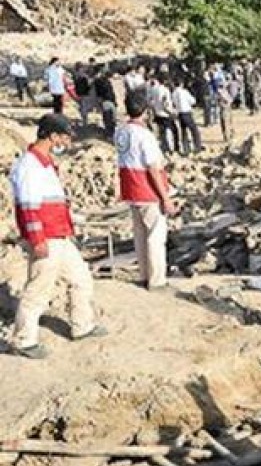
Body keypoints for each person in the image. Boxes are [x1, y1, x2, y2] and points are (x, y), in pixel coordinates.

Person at [8, 113, 106, 358]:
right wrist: (37, 240)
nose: (67, 142)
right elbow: (29, 207)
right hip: (46, 237)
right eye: (64, 137)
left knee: (81, 279)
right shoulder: (30, 166)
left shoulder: (45, 163)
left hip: (59, 234)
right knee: (38, 289)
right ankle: (23, 340)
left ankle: (82, 325)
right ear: (52, 136)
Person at [115, 91, 175, 291]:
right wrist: (165, 197)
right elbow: (153, 168)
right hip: (147, 190)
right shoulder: (144, 135)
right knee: (155, 237)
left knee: (140, 235)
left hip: (131, 188)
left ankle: (143, 275)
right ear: (145, 111)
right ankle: (157, 280)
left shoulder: (121, 132)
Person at [172, 80, 201, 156]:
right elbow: (193, 101)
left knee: (183, 132)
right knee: (194, 130)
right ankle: (197, 147)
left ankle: (186, 149)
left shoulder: (173, 93)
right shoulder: (184, 92)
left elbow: (174, 103)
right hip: (186, 112)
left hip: (180, 113)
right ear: (181, 84)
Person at [149, 75, 177, 155]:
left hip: (157, 113)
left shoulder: (154, 89)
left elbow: (151, 102)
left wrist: (154, 110)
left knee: (161, 131)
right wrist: (171, 113)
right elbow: (165, 104)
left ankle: (163, 147)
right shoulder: (165, 90)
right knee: (169, 131)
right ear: (165, 81)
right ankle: (171, 148)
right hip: (165, 114)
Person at [93, 66, 117, 137]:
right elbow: (99, 93)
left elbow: (111, 92)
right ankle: (109, 134)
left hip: (110, 100)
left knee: (112, 119)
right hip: (105, 101)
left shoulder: (106, 81)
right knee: (108, 118)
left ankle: (111, 133)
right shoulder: (99, 81)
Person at [75, 60, 98, 128]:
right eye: (82, 67)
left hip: (80, 94)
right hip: (85, 94)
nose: (83, 68)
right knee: (84, 108)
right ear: (80, 68)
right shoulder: (82, 75)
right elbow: (88, 83)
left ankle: (85, 122)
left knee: (83, 108)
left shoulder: (77, 74)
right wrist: (94, 78)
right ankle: (85, 123)